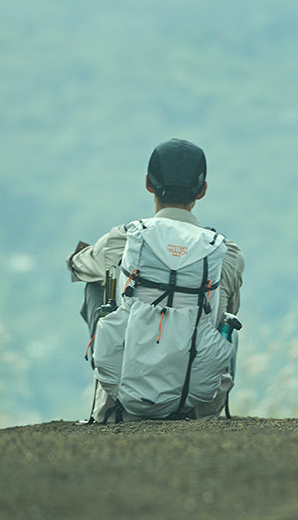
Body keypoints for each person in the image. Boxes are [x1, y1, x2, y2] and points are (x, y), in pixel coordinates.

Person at [67, 138, 244, 421]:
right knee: (226, 318)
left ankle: (107, 406)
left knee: (97, 284)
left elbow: (77, 266)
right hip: (196, 398)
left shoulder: (127, 238)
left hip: (125, 393)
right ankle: (207, 410)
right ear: (202, 191)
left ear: (149, 183)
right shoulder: (226, 252)